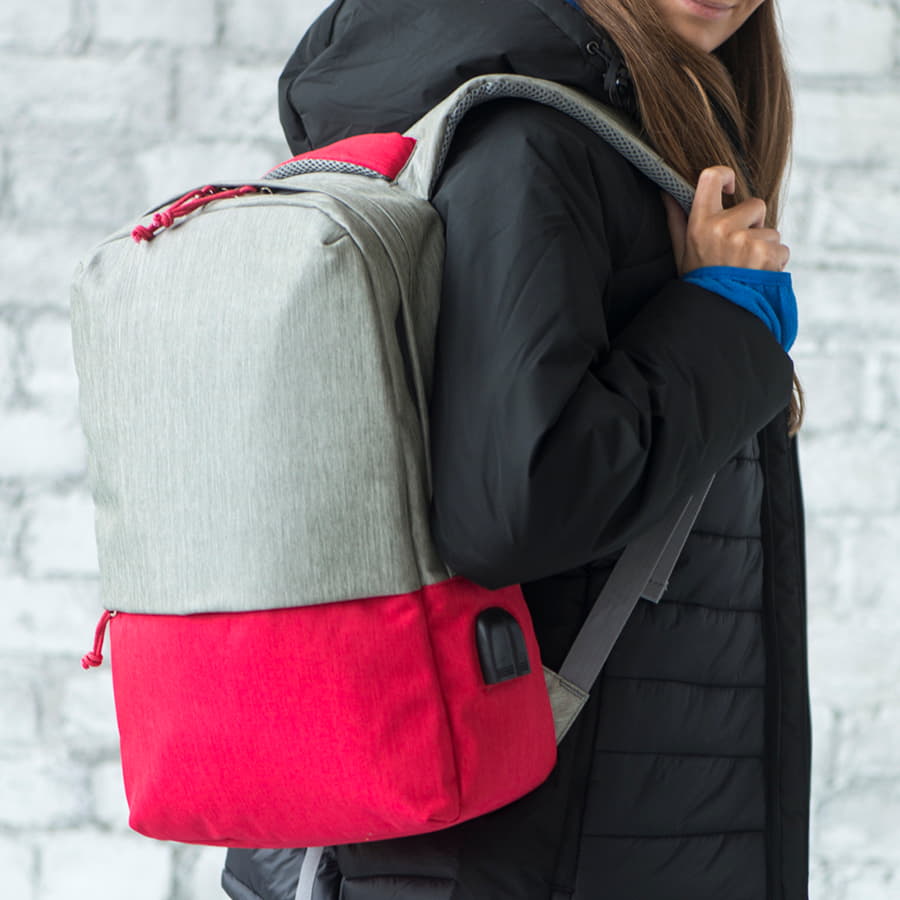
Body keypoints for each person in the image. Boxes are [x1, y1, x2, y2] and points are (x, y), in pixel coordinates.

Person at [222, 0, 810, 897]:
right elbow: (514, 507)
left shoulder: (584, 134)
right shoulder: (533, 143)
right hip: (539, 846)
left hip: (550, 829)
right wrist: (722, 317)